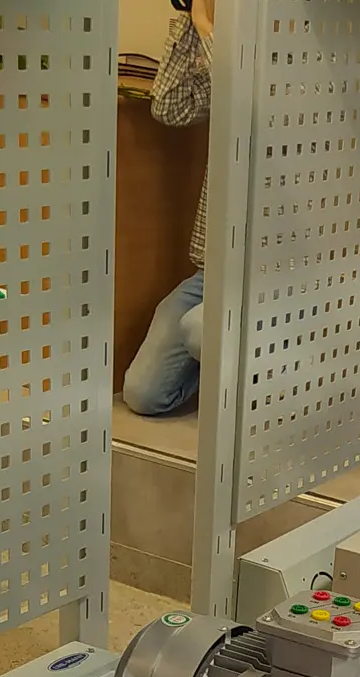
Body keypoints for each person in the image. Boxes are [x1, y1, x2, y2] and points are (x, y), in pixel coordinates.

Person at [121, 0, 213, 417]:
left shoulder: (281, 65)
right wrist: (193, 22)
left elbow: (250, 104)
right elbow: (169, 107)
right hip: (214, 275)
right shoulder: (224, 56)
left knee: (200, 329)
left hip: (274, 278)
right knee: (144, 393)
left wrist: (208, 25)